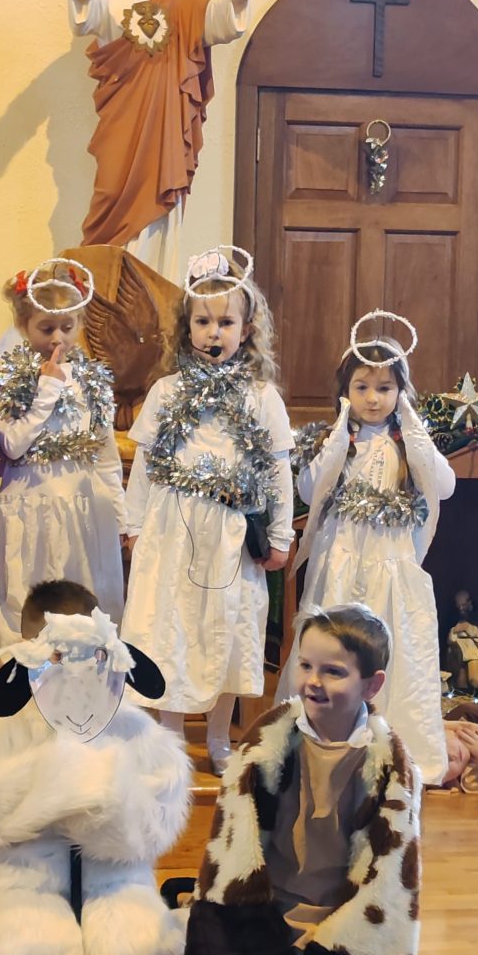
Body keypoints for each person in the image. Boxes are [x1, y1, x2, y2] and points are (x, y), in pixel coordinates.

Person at [0, 580, 192, 955]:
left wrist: (108, 793)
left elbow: (156, 829)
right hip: (20, 882)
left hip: (115, 883)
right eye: (57, 656)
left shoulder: (136, 731)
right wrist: (53, 779)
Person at [178, 604, 423, 955]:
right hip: (268, 912)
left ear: (371, 685)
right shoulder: (267, 742)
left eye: (333, 671)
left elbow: (394, 867)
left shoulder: (390, 767)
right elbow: (231, 842)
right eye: (305, 665)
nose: (313, 681)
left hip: (342, 919)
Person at [121, 247, 295, 775]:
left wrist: (281, 535)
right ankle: (170, 736)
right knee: (170, 627)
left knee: (228, 632)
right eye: (203, 322)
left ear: (247, 330)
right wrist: (134, 525)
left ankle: (219, 736)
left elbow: (278, 470)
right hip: (171, 531)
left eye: (226, 322)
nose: (213, 333)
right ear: (187, 328)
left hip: (230, 536)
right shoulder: (166, 392)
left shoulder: (261, 398)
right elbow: (145, 466)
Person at [274, 322, 456, 785]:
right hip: (342, 562)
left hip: (391, 568)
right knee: (334, 645)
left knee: (390, 651)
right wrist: (337, 437)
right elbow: (309, 489)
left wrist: (413, 428)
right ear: (345, 390)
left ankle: (390, 750)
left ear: (401, 391)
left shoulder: (406, 444)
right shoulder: (338, 441)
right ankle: (322, 743)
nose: (373, 398)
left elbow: (445, 486)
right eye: (362, 387)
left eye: (385, 388)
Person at [0, 259, 126, 683]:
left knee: (79, 593)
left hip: (80, 510)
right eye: (46, 328)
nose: (57, 338)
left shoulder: (92, 381)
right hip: (29, 507)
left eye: (67, 327)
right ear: (24, 326)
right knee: (23, 593)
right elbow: (13, 444)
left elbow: (105, 453)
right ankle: (18, 682)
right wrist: (47, 389)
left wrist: (120, 515)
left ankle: (77, 682)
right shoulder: (13, 379)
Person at [69, 0, 254, 278]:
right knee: (111, 194)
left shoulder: (184, 6)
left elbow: (222, 19)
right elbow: (85, 13)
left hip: (166, 135)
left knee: (161, 208)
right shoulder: (109, 1)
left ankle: (155, 292)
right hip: (122, 126)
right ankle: (104, 288)